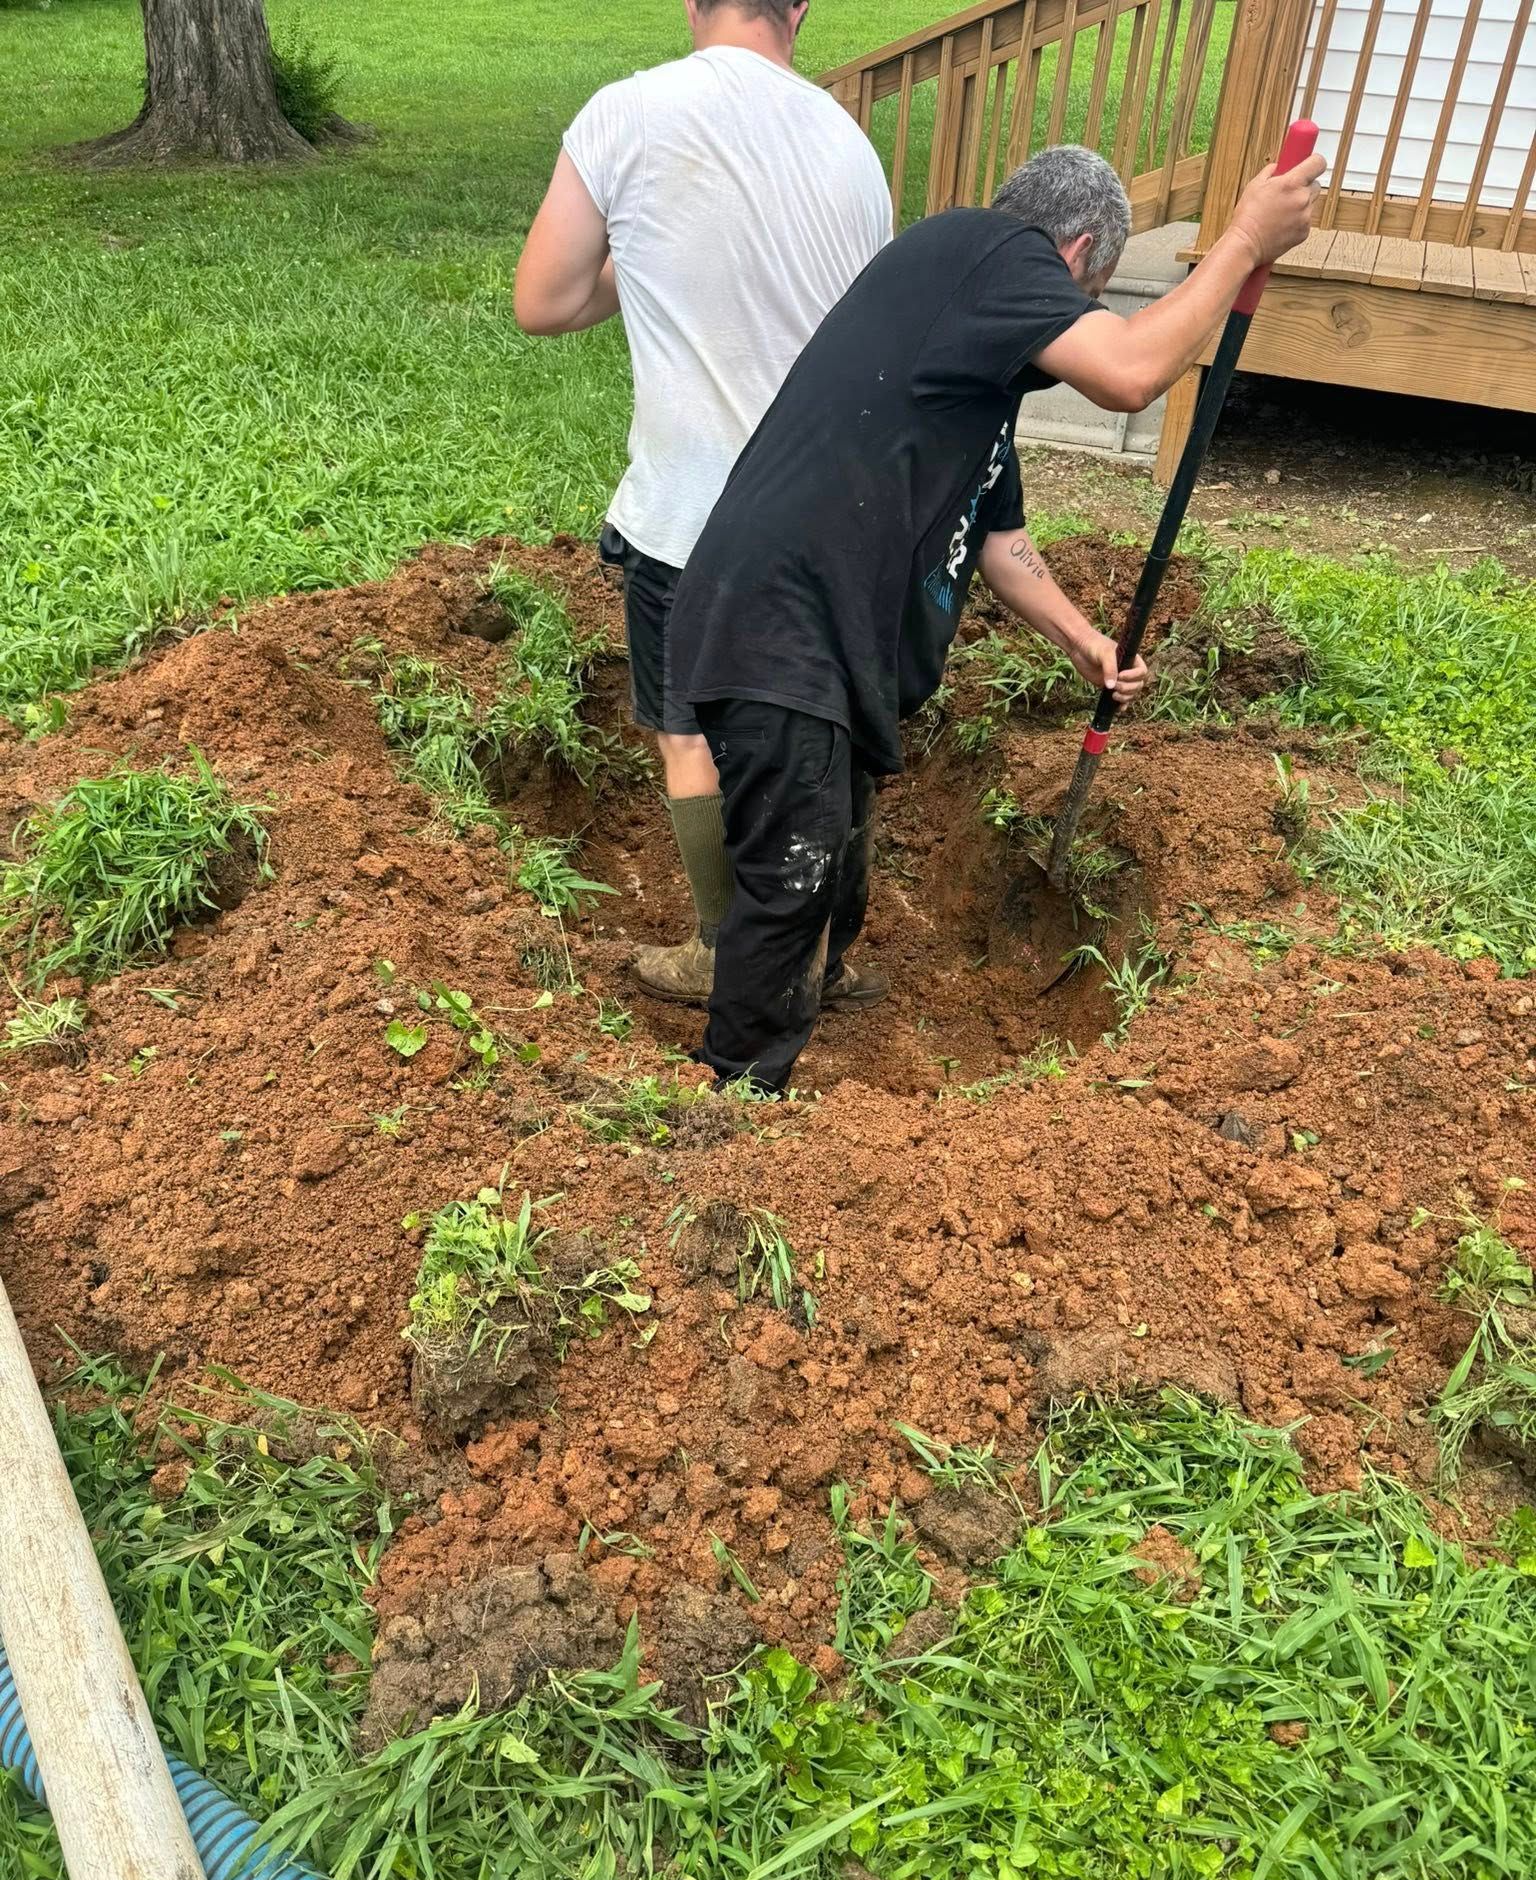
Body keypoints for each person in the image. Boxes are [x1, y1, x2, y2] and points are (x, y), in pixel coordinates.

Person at [668, 139, 1326, 1094]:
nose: (1073, 321)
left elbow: (998, 541)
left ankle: (818, 976)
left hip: (827, 634)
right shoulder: (993, 248)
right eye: (1085, 300)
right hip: (781, 616)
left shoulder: (973, 371)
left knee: (836, 848)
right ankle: (734, 1091)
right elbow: (1130, 372)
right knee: (792, 869)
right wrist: (1244, 242)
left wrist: (1087, 641)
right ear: (1078, 255)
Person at [514, 0, 892, 1003]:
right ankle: (827, 951)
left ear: (695, 3)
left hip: (690, 516)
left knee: (690, 733)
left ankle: (729, 951)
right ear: (799, 8)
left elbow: (543, 301)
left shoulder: (626, 115)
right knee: (829, 732)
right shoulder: (853, 148)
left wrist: (637, 257)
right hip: (832, 522)